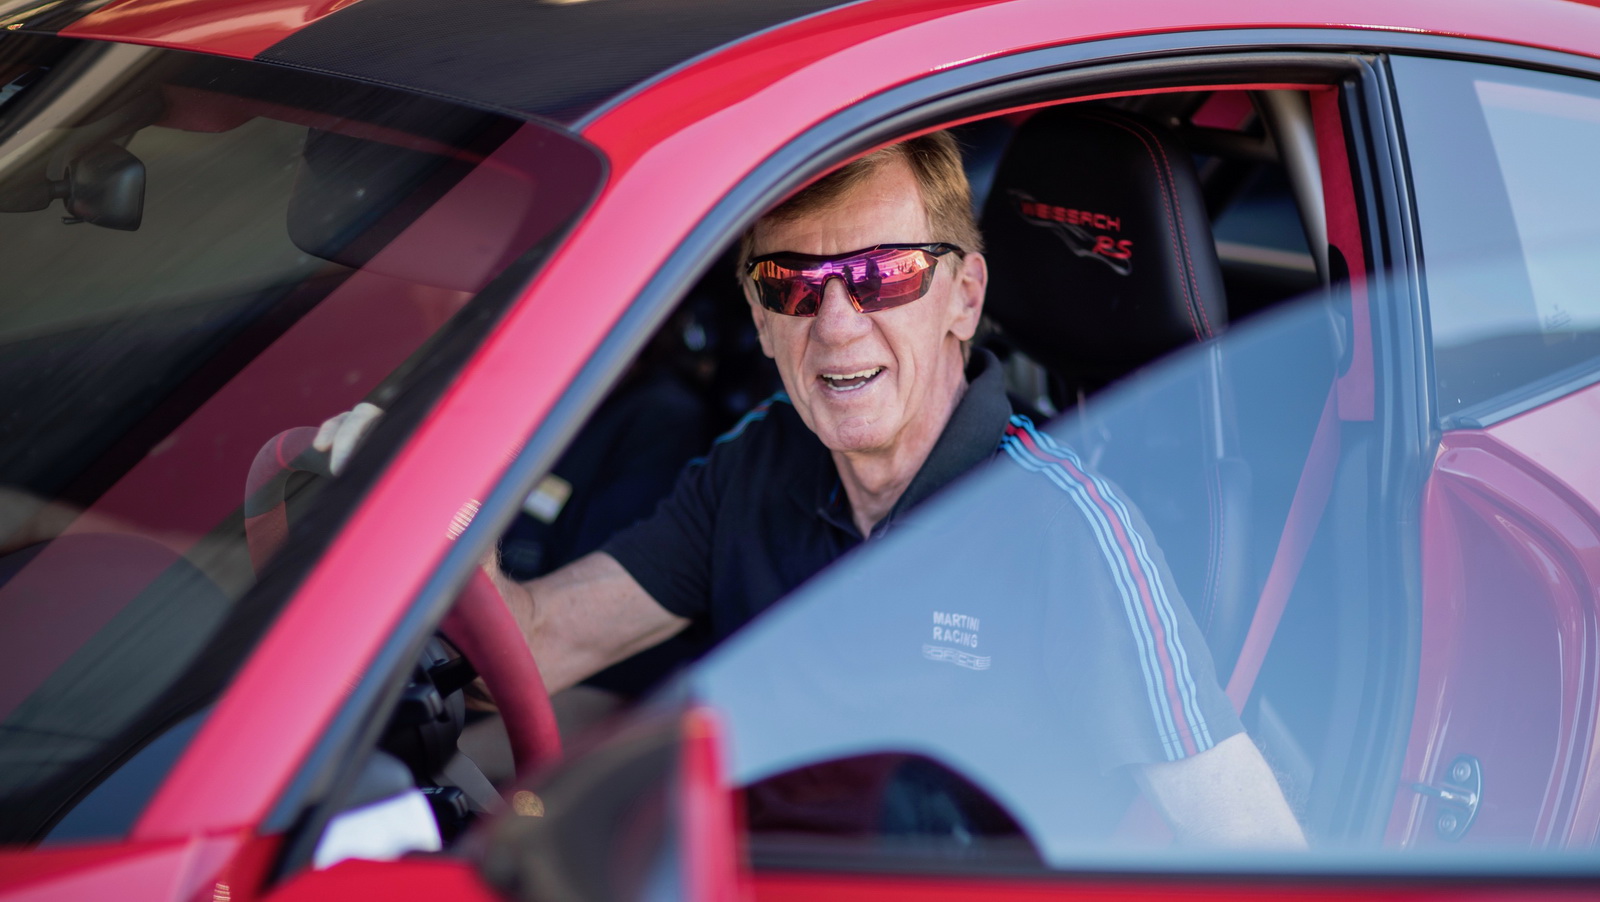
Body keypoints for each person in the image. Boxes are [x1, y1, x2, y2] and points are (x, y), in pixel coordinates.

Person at [317, 132, 1305, 847]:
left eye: (882, 275)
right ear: (759, 318)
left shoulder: (1067, 530)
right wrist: (430, 501)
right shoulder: (760, 461)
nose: (834, 323)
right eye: (792, 283)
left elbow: (1257, 851)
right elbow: (526, 650)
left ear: (963, 297)